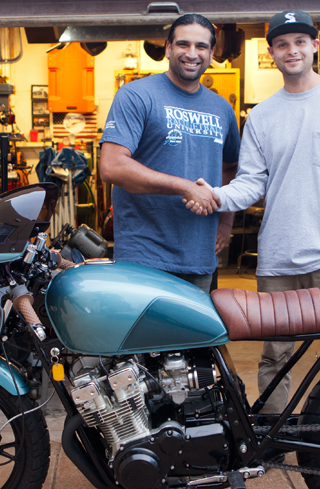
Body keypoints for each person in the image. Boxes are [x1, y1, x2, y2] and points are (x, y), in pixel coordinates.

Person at [187, 10, 320, 414]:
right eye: (282, 44)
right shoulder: (261, 116)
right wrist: (216, 196)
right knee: (275, 357)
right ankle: (274, 438)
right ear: (272, 53)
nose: (291, 50)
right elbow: (252, 183)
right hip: (277, 259)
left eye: (300, 41)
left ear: (315, 45)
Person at [99, 13, 240, 292]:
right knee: (146, 336)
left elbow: (231, 168)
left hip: (200, 256)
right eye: (183, 44)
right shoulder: (137, 95)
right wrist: (184, 187)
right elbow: (112, 166)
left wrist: (225, 222)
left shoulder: (222, 108)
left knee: (197, 336)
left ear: (211, 54)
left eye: (201, 47)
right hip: (144, 256)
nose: (192, 53)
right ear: (168, 49)